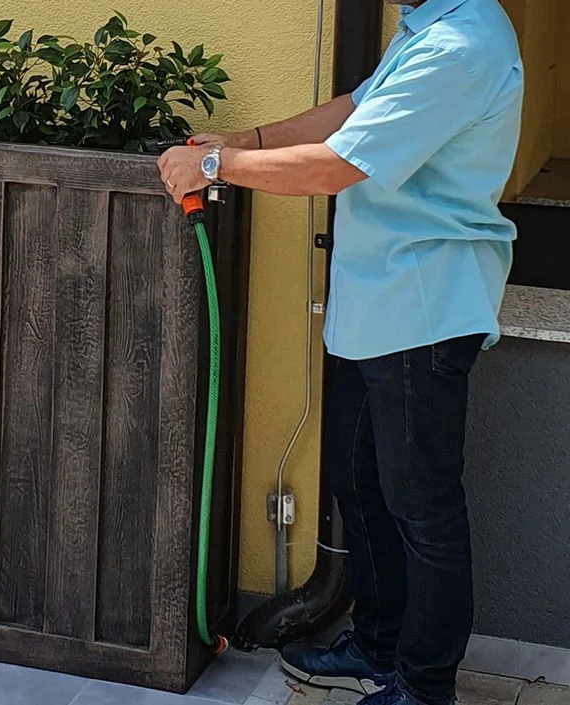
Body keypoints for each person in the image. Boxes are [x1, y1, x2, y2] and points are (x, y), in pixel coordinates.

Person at [158, 1, 524, 705]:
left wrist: (214, 163)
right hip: (376, 303)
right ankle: (379, 643)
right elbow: (351, 112)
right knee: (359, 484)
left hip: (423, 308)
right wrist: (243, 140)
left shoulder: (460, 46)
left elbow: (336, 166)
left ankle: (424, 686)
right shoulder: (427, 27)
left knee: (421, 510)